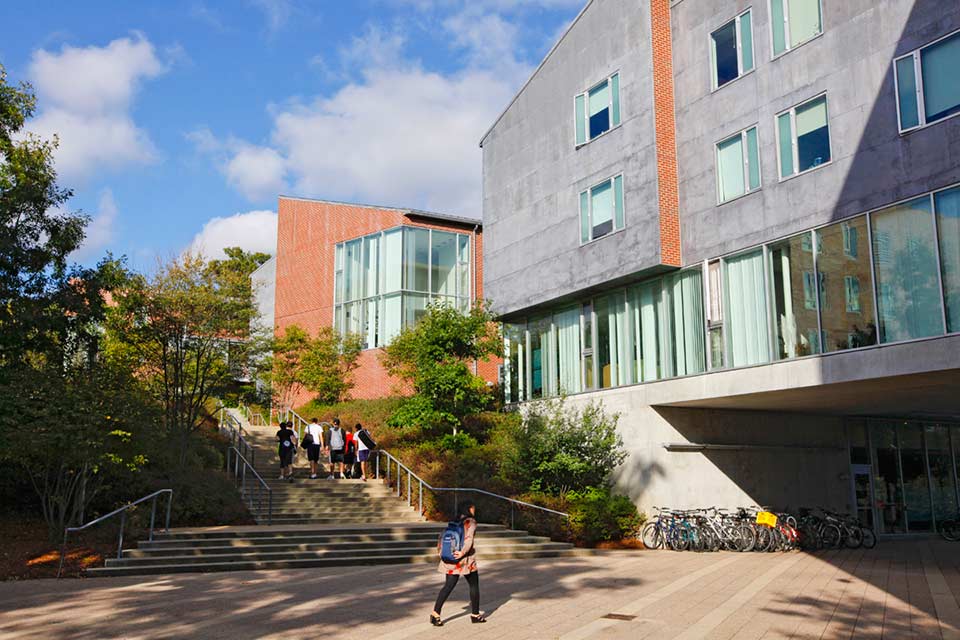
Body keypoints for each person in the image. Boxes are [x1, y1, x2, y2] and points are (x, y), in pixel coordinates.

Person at [430, 502, 485, 626]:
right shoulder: (471, 522)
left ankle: (435, 613)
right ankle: (475, 615)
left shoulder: (454, 520)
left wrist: (441, 552)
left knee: (448, 586)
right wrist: (462, 553)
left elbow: (442, 536)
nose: (474, 509)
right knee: (474, 585)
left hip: (451, 557)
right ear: (469, 508)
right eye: (473, 507)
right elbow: (469, 539)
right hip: (465, 559)